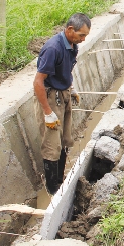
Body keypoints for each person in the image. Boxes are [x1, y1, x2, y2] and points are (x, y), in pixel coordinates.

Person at [33, 13, 91, 195]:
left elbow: (65, 69)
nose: (83, 39)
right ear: (70, 29)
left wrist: (71, 88)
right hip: (51, 97)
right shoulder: (53, 49)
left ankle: (60, 181)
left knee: (65, 139)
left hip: (63, 94)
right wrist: (47, 111)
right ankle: (52, 190)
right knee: (52, 145)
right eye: (81, 35)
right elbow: (38, 82)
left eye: (85, 36)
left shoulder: (72, 45)